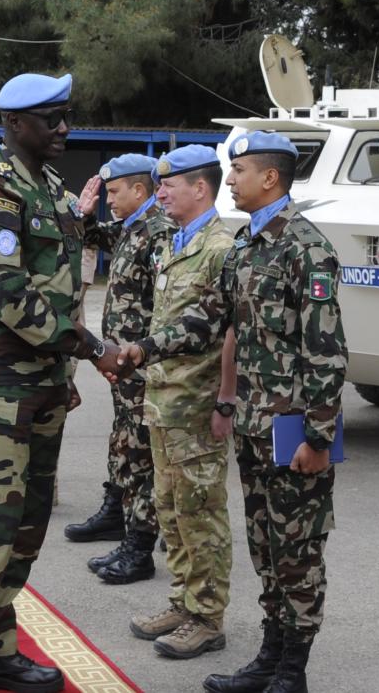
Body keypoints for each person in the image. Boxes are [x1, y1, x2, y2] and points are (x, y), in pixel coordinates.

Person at [119, 130, 346, 693]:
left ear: (269, 177)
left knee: (297, 553)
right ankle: (270, 655)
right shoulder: (246, 246)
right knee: (265, 547)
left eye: (239, 171)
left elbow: (326, 353)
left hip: (294, 429)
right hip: (254, 426)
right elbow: (208, 319)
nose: (232, 181)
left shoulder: (306, 248)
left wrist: (319, 438)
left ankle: (292, 670)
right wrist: (145, 348)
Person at [0, 72, 122, 693]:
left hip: (43, 380)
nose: (64, 128)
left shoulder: (49, 188)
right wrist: (94, 350)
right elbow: (10, 295)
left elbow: (65, 287)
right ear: (15, 124)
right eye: (51, 118)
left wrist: (68, 367)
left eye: (66, 115)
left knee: (27, 525)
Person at [127, 145, 237, 659]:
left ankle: (207, 618)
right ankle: (183, 602)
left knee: (201, 513)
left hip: (196, 405)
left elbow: (227, 331)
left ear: (201, 188)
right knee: (170, 509)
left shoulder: (221, 248)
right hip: (163, 401)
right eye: (159, 184)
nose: (161, 193)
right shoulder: (176, 242)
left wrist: (226, 401)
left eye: (170, 185)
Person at [65, 153, 173, 585]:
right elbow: (95, 235)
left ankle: (141, 538)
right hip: (121, 362)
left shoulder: (159, 233)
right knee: (123, 437)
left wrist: (141, 356)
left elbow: (167, 305)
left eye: (114, 192)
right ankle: (118, 512)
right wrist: (84, 214)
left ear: (139, 190)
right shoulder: (131, 228)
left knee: (141, 448)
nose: (108, 199)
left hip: (142, 362)